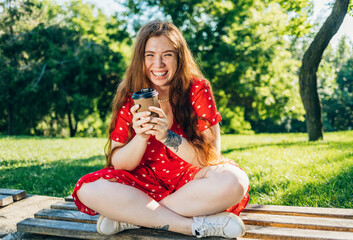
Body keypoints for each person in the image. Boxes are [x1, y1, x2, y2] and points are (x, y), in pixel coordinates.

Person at [72, 20, 250, 239]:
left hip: (191, 180)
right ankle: (193, 226)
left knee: (235, 181)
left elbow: (210, 157)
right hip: (144, 181)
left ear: (179, 57)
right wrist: (141, 136)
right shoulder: (130, 95)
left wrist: (166, 136)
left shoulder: (197, 89)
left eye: (167, 55)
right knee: (87, 189)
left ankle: (133, 216)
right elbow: (119, 163)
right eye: (150, 55)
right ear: (141, 58)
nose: (158, 64)